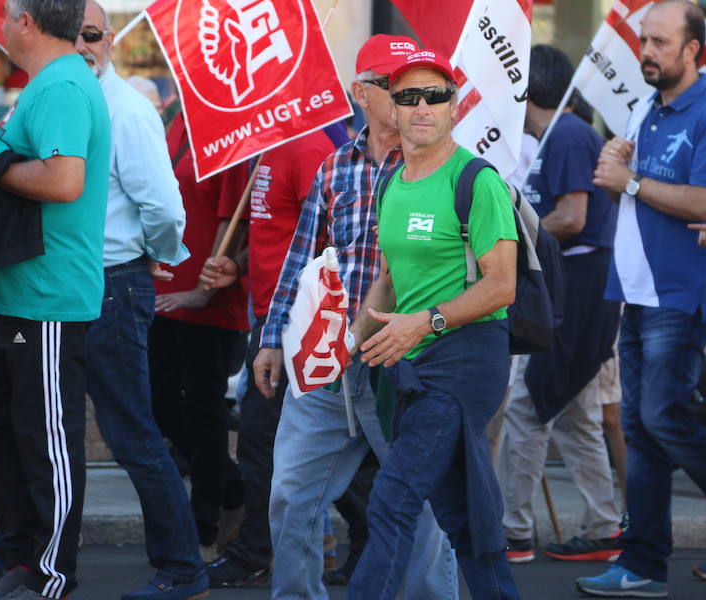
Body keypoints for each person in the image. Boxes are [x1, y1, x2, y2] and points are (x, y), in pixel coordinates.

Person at [258, 35, 458, 600]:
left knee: (421, 506)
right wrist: (273, 338)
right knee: (292, 495)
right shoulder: (333, 167)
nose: (411, 99)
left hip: (410, 361)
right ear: (362, 93)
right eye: (396, 86)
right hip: (331, 360)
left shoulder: (450, 169)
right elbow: (302, 258)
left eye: (421, 90)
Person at [344, 48, 520, 600]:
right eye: (408, 97)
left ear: (454, 104)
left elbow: (502, 285)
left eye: (436, 95)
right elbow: (391, 280)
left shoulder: (476, 179)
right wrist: (352, 340)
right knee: (462, 517)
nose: (423, 106)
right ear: (391, 108)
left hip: (467, 357)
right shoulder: (392, 182)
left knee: (391, 499)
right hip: (411, 365)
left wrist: (426, 322)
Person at [0, 0, 110, 598]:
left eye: (7, 15)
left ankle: (50, 572)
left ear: (25, 23)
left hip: (46, 297)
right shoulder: (49, 82)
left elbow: (64, 179)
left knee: (46, 440)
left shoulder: (65, 84)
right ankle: (14, 555)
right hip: (10, 292)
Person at [576, 1, 706, 596]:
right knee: (641, 428)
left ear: (693, 50)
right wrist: (618, 167)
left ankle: (641, 560)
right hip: (634, 287)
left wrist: (629, 180)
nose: (645, 51)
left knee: (663, 416)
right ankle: (641, 566)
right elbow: (636, 200)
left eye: (660, 42)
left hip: (679, 290)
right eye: (644, 39)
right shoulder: (646, 111)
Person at [72, 3, 209, 599]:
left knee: (131, 434)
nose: (83, 45)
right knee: (41, 433)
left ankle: (182, 567)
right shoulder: (55, 100)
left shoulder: (125, 109)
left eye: (94, 35)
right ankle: (38, 562)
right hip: (69, 285)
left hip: (110, 284)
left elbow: (164, 207)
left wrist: (154, 254)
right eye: (71, 34)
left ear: (110, 42)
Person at [198, 123, 347, 587]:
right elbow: (277, 232)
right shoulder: (265, 152)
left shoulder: (308, 150)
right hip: (266, 314)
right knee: (280, 440)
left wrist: (304, 315)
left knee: (268, 439)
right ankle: (354, 544)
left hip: (296, 319)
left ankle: (257, 552)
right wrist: (236, 265)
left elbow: (331, 235)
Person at [495, 44, 622, 564]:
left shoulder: (568, 132)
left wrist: (511, 238)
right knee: (573, 414)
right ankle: (605, 525)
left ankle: (514, 534)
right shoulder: (558, 135)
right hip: (579, 286)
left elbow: (571, 217)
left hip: (582, 288)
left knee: (526, 408)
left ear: (532, 89)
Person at [149, 109, 249, 563]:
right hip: (164, 292)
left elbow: (232, 217)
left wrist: (201, 291)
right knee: (161, 406)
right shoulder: (177, 120)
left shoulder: (227, 128)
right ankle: (234, 490)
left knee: (203, 415)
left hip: (205, 300)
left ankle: (204, 529)